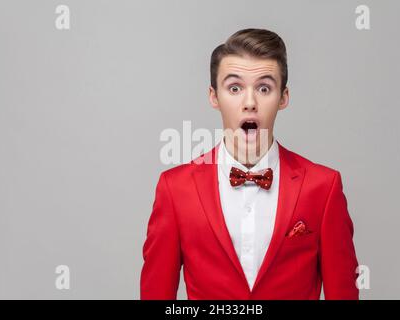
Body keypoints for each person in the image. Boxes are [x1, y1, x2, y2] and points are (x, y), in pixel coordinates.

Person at [140, 28, 359, 300]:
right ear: (214, 96)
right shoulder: (175, 189)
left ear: (283, 97)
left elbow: (344, 293)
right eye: (234, 88)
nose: (250, 102)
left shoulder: (323, 187)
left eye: (264, 88)